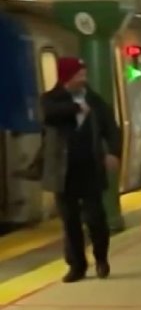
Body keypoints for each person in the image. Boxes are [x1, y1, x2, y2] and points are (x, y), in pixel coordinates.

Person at [39, 57, 122, 283]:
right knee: (70, 221)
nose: (83, 79)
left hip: (91, 169)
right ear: (66, 77)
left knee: (96, 218)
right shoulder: (50, 99)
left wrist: (113, 152)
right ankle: (77, 266)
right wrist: (76, 107)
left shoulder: (94, 100)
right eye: (79, 75)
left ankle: (101, 259)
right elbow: (49, 115)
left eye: (84, 75)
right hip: (63, 172)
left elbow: (111, 128)